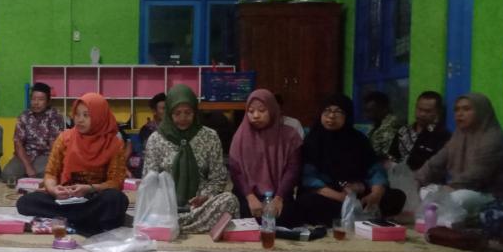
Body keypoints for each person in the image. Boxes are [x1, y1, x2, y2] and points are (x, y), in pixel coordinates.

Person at [16, 93, 129, 236]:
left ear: (99, 117)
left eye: (86, 115)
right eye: (77, 114)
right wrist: (54, 190)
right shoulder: (65, 138)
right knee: (25, 202)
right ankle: (85, 219)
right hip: (65, 197)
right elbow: (51, 173)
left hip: (94, 197)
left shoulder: (114, 144)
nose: (80, 120)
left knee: (116, 199)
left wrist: (89, 189)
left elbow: (116, 182)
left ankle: (68, 219)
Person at [298, 93, 406, 226]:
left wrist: (376, 193)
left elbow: (374, 169)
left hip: (357, 191)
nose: (331, 116)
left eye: (338, 112)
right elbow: (309, 179)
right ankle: (357, 215)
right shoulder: (312, 140)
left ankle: (357, 213)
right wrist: (342, 197)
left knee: (396, 196)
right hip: (329, 193)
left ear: (347, 115)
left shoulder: (358, 139)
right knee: (308, 202)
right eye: (327, 110)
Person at [143, 85, 239, 233]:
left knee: (230, 201)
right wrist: (165, 201)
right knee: (148, 207)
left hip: (199, 207)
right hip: (166, 208)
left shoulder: (209, 137)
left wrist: (205, 196)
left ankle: (175, 226)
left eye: (188, 113)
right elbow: (149, 180)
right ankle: (188, 225)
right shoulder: (156, 139)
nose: (183, 118)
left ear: (195, 111)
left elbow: (218, 179)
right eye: (177, 113)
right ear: (169, 113)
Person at [415, 93, 503, 216]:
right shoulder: (458, 136)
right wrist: (417, 180)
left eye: (466, 109)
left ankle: (442, 217)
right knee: (425, 191)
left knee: (458, 198)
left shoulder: (492, 138)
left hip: (489, 193)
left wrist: (451, 187)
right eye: (457, 110)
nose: (459, 114)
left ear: (481, 111)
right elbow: (435, 162)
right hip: (460, 187)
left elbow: (478, 173)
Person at [228, 89, 302, 226]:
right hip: (248, 194)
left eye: (262, 110)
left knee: (284, 219)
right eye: (251, 111)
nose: (256, 116)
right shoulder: (241, 136)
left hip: (279, 194)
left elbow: (293, 169)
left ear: (273, 109)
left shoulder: (290, 135)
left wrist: (279, 198)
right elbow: (236, 172)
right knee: (247, 220)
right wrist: (250, 197)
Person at [0, 83, 64, 183]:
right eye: (33, 99)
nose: (36, 103)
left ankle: (29, 178)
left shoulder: (55, 116)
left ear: (48, 101)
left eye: (41, 99)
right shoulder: (24, 116)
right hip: (25, 155)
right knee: (7, 175)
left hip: (45, 155)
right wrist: (28, 167)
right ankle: (27, 176)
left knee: (46, 174)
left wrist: (54, 165)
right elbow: (18, 143)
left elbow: (54, 146)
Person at [388, 91, 451, 171]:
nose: (422, 114)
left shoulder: (442, 136)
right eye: (419, 109)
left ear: (437, 112)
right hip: (399, 176)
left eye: (427, 111)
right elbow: (392, 156)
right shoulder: (403, 131)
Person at [364, 91, 401, 160]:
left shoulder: (392, 128)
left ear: (384, 109)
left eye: (371, 111)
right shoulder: (375, 125)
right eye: (366, 111)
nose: (367, 115)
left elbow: (386, 157)